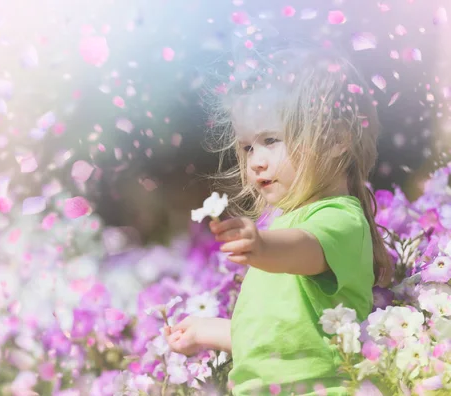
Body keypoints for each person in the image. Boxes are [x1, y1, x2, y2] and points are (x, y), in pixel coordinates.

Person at [164, 42, 394, 395]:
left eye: (271, 139)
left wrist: (262, 244)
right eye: (247, 147)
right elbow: (278, 339)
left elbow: (304, 248)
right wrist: (206, 331)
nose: (256, 160)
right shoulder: (282, 226)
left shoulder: (339, 219)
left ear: (337, 139)